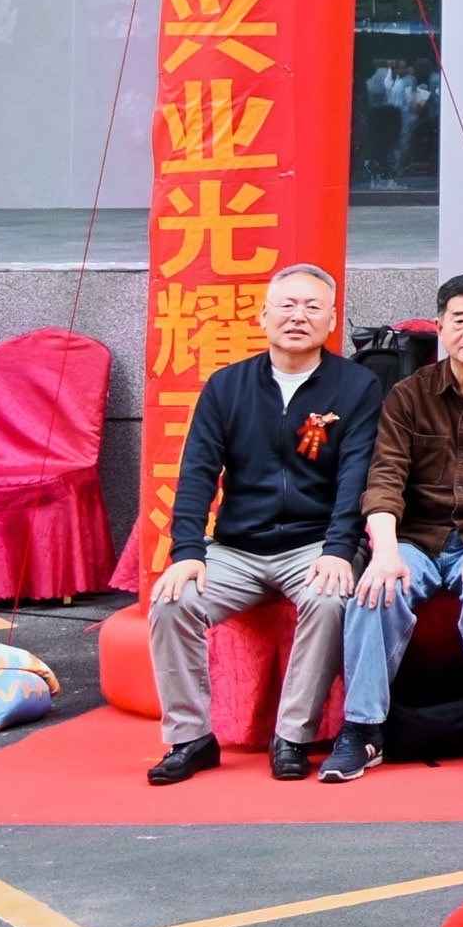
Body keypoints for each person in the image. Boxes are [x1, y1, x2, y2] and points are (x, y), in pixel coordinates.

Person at [141, 264, 383, 784]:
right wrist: (187, 552)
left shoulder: (357, 386)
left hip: (315, 543)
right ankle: (190, 737)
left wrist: (339, 549)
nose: (298, 316)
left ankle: (292, 736)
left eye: (312, 307)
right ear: (263, 315)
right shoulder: (227, 386)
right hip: (237, 548)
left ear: (332, 320)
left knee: (329, 598)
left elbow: (356, 477)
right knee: (172, 601)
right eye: (287, 305)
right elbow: (197, 471)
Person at [326, 273, 463, 779]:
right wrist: (384, 553)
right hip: (416, 537)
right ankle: (363, 730)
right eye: (459, 320)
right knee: (375, 590)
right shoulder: (408, 395)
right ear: (440, 327)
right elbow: (384, 478)